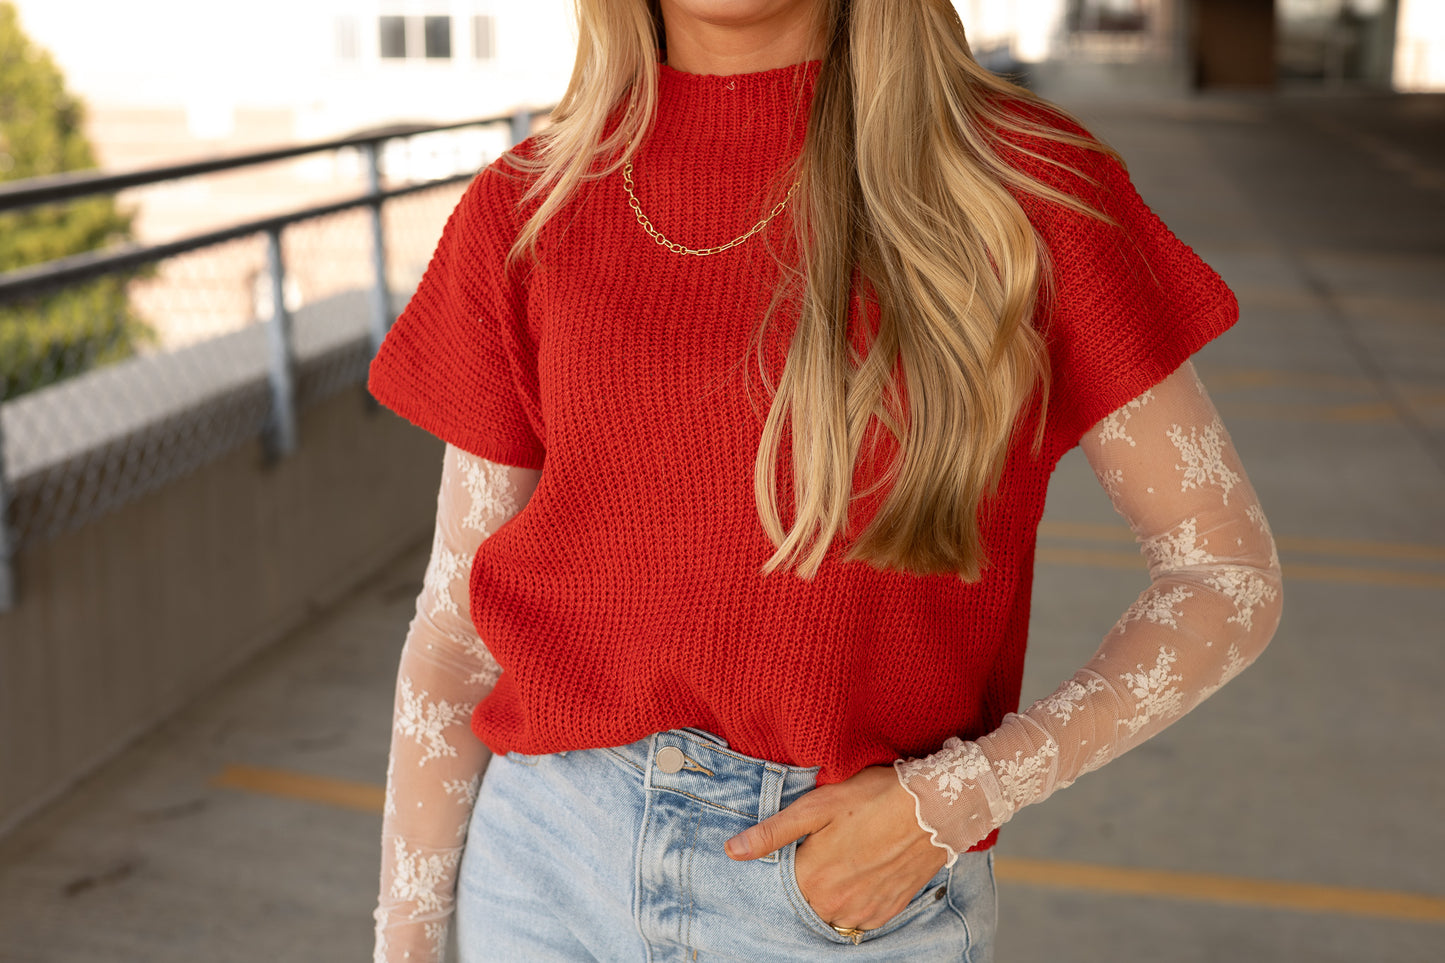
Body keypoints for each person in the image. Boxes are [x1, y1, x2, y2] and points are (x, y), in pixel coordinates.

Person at [365, 1, 1284, 960]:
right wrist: (407, 941)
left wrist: (952, 801)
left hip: (841, 894)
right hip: (542, 868)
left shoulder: (1017, 185)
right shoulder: (527, 205)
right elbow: (457, 631)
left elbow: (1223, 575)